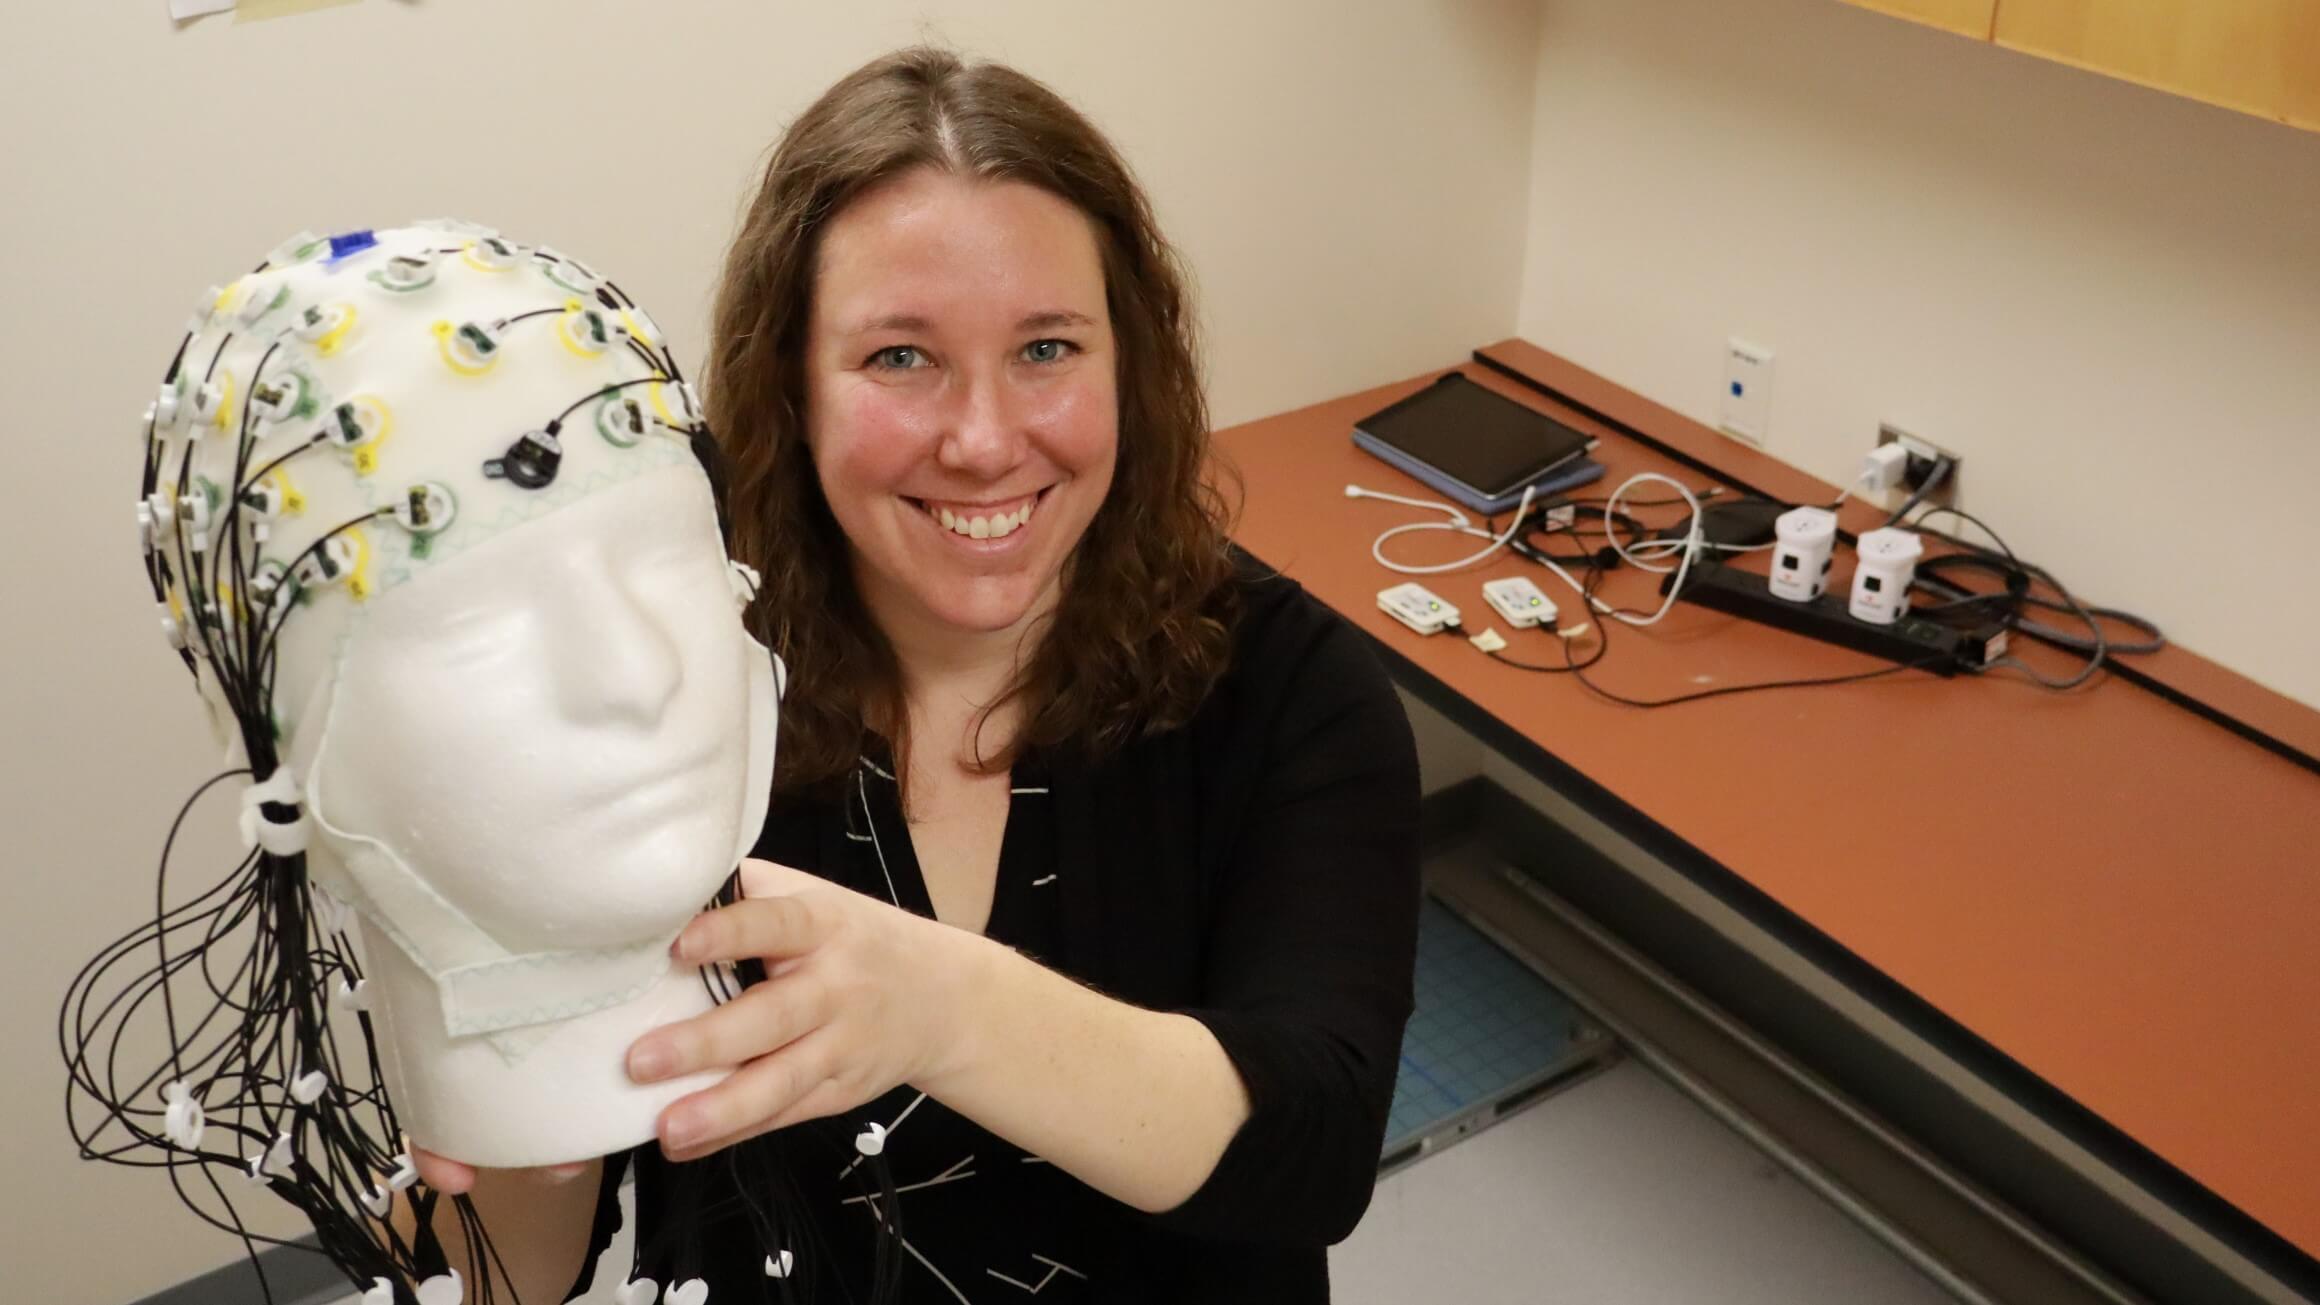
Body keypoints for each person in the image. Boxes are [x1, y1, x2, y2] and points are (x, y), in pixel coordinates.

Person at [425, 46, 1421, 1303]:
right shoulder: (654, 697)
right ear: (792, 383)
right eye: (901, 357)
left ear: (1133, 363)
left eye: (1047, 347)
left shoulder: (1291, 688)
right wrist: (529, 1146)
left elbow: (1311, 1151)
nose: (986, 440)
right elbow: (505, 1277)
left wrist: (939, 1013)